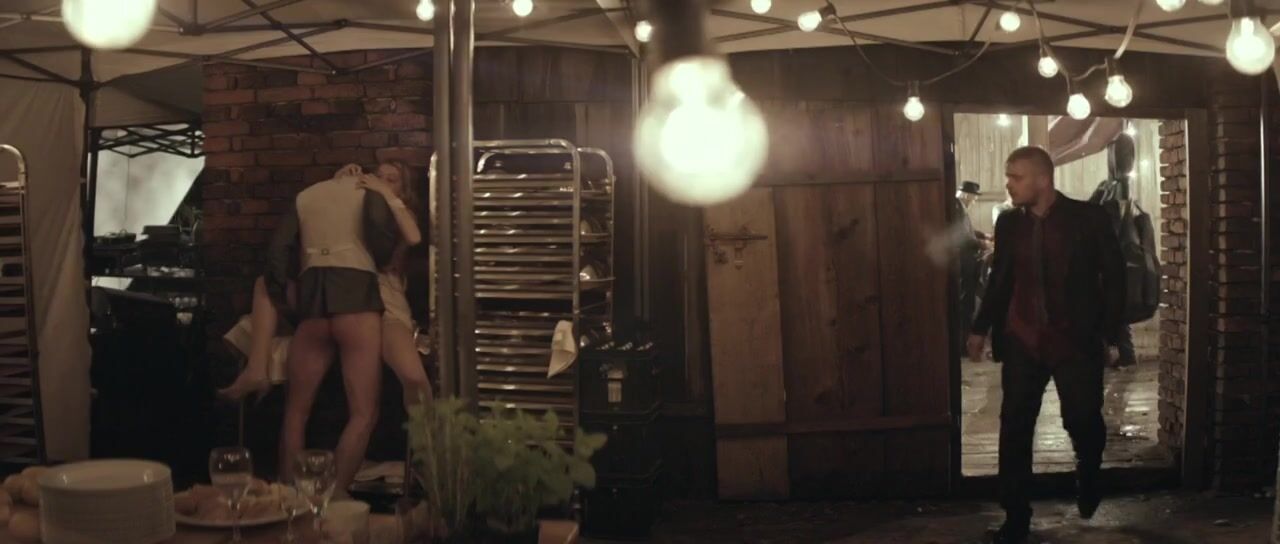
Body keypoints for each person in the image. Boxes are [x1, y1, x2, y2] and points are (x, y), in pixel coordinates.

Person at [966, 146, 1125, 544]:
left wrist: (1111, 335)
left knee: (1083, 420)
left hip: (1074, 340)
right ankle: (1016, 517)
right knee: (1015, 428)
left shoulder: (1089, 218)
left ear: (1042, 179)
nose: (1008, 184)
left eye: (1016, 177)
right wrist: (980, 327)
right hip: (1023, 339)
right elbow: (1001, 279)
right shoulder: (1008, 223)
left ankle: (1089, 471)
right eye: (1008, 176)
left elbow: (1115, 278)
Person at [219, 162, 433, 413]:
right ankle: (256, 369)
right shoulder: (361, 205)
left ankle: (430, 433)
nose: (381, 181)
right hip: (341, 292)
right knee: (264, 283)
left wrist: (383, 192)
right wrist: (338, 181)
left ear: (403, 190)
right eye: (378, 175)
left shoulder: (400, 211)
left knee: (413, 376)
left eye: (391, 179)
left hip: (385, 300)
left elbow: (413, 237)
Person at [266, 162, 400, 496]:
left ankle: (289, 498)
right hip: (357, 301)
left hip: (313, 305)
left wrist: (288, 292)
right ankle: (333, 497)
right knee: (363, 413)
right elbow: (382, 245)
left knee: (296, 411)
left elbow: (277, 252)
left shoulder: (306, 196)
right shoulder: (369, 192)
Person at [953, 181, 985, 358]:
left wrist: (982, 235)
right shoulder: (956, 207)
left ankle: (964, 343)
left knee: (968, 303)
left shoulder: (960, 207)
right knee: (965, 304)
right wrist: (981, 243)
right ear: (966, 194)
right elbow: (961, 235)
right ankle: (962, 345)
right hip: (963, 261)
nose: (974, 200)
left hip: (967, 260)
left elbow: (968, 231)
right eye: (973, 196)